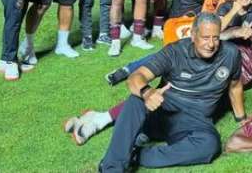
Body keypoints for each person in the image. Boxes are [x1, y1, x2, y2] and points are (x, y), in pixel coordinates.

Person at [67, 8, 252, 146]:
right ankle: (101, 119)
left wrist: (240, 116)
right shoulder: (235, 36)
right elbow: (214, 38)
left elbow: (245, 85)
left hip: (219, 84)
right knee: (167, 93)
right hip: (202, 68)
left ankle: (105, 119)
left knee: (180, 108)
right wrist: (232, 28)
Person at [97, 13, 241, 172]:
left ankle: (137, 155)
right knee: (135, 100)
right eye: (205, 38)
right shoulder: (174, 52)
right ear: (193, 35)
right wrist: (147, 92)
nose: (211, 44)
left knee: (210, 145)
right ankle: (112, 167)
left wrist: (241, 117)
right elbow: (136, 77)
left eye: (215, 38)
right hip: (162, 112)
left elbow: (235, 87)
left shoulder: (231, 54)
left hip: (195, 121)